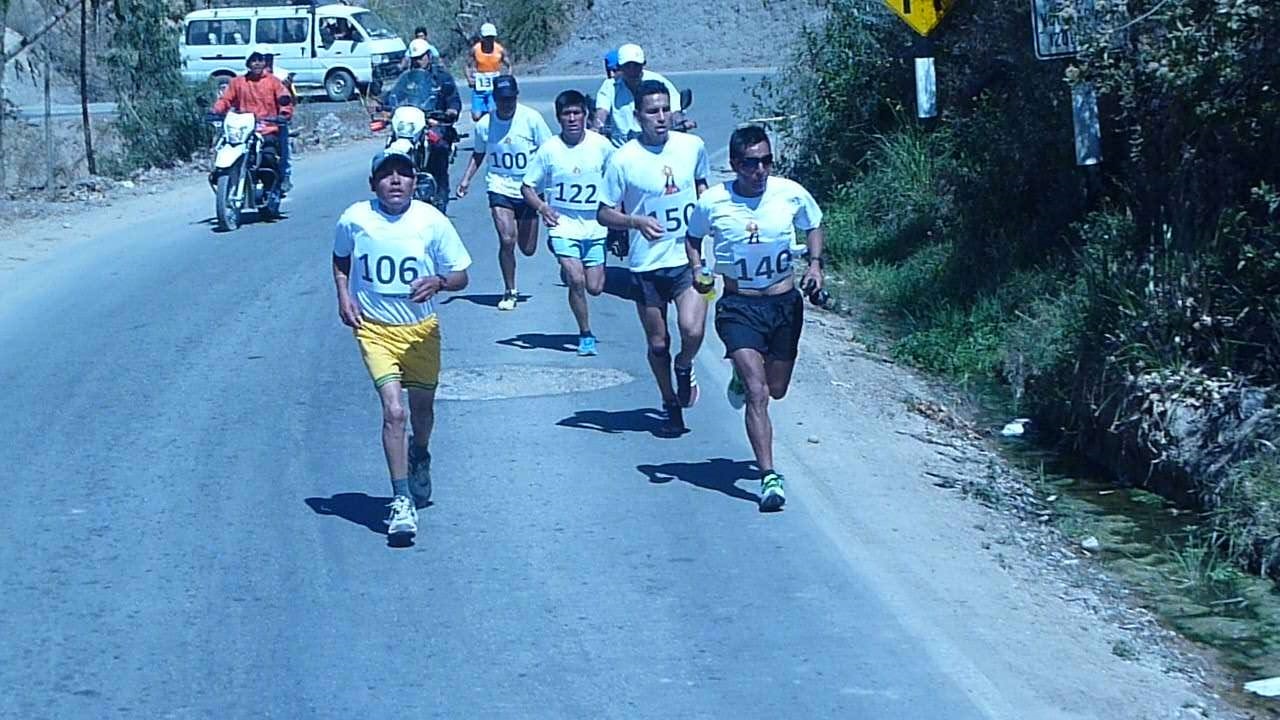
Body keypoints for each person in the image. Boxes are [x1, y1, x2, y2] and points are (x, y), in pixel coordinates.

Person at [332, 149, 472, 540]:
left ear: (415, 182)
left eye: (403, 174)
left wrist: (439, 282)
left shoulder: (431, 220)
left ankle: (419, 453)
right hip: (375, 330)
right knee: (395, 413)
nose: (395, 181)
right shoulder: (355, 219)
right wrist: (344, 295)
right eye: (386, 175)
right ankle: (401, 499)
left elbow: (461, 275)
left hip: (421, 331)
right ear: (373, 183)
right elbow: (340, 258)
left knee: (421, 411)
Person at [685, 125, 825, 512]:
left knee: (776, 389)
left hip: (783, 304)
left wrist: (815, 265)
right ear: (735, 164)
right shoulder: (714, 202)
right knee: (758, 392)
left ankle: (743, 377)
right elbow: (693, 238)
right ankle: (769, 476)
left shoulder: (789, 193)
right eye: (750, 163)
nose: (760, 170)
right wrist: (697, 269)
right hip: (739, 307)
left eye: (766, 161)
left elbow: (813, 223)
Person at [598, 80, 709, 435]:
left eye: (665, 110)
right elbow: (604, 212)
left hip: (687, 258)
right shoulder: (623, 159)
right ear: (637, 117)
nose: (661, 117)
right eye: (652, 112)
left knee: (692, 329)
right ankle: (669, 402)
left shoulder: (692, 146)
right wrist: (635, 221)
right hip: (646, 264)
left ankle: (685, 364)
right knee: (658, 343)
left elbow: (702, 186)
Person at [520, 90, 614, 355]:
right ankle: (585, 333)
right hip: (563, 225)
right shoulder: (549, 149)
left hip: (595, 226)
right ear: (559, 118)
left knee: (595, 287)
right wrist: (542, 207)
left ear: (585, 115)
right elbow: (527, 186)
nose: (572, 119)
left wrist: (616, 209)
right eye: (566, 114)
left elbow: (617, 176)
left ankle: (575, 273)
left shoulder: (601, 146)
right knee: (576, 280)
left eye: (577, 113)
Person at [456, 75, 552, 311]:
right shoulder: (484, 125)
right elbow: (479, 154)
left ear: (516, 97)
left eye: (510, 99)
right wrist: (466, 179)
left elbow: (549, 152)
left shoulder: (531, 119)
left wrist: (551, 186)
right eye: (501, 99)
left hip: (529, 189)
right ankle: (510, 290)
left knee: (527, 249)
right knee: (507, 240)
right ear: (494, 99)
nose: (506, 104)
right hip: (499, 186)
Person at [384, 38, 462, 209]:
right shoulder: (407, 78)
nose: (417, 61)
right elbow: (394, 94)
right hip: (412, 123)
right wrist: (384, 104)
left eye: (420, 57)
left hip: (435, 121)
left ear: (428, 56)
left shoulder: (442, 77)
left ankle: (440, 194)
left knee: (439, 147)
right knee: (390, 142)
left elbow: (453, 98)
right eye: (414, 59)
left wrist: (451, 110)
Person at [211, 43, 293, 195]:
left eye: (260, 60)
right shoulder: (238, 82)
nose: (257, 63)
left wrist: (283, 113)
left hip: (266, 127)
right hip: (242, 129)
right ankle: (223, 177)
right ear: (247, 63)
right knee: (222, 147)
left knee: (268, 156)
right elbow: (226, 99)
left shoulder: (274, 81)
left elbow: (284, 99)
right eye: (253, 60)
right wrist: (216, 110)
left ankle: (270, 188)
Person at [593, 43, 688, 147]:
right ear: (620, 67)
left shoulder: (659, 82)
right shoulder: (609, 86)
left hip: (655, 147)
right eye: (627, 66)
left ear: (643, 64)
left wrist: (678, 121)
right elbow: (602, 110)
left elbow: (674, 108)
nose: (632, 70)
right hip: (621, 149)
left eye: (636, 65)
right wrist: (596, 127)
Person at [464, 22, 511, 121]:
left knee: (493, 113)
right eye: (487, 38)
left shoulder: (499, 50)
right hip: (479, 87)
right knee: (476, 116)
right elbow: (467, 65)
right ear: (482, 37)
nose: (489, 40)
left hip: (494, 87)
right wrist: (469, 79)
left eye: (491, 37)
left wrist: (507, 79)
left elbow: (509, 66)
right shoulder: (476, 49)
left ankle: (489, 128)